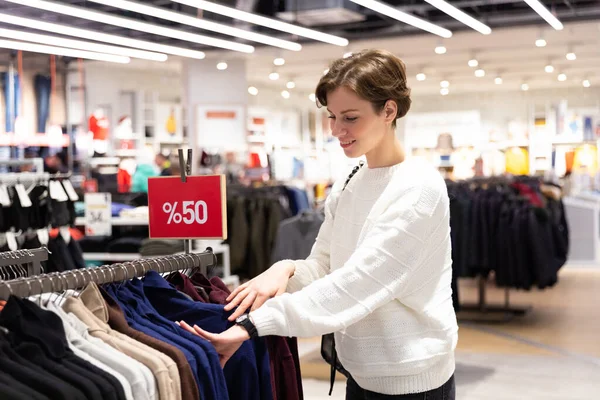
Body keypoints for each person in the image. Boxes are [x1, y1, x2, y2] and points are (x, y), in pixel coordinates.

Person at [179, 49, 458, 399]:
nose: (337, 130)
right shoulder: (351, 180)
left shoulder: (419, 188)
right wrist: (287, 269)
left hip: (413, 379)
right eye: (332, 116)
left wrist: (255, 326)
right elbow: (326, 264)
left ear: (389, 110)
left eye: (350, 117)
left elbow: (357, 283)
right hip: (360, 372)